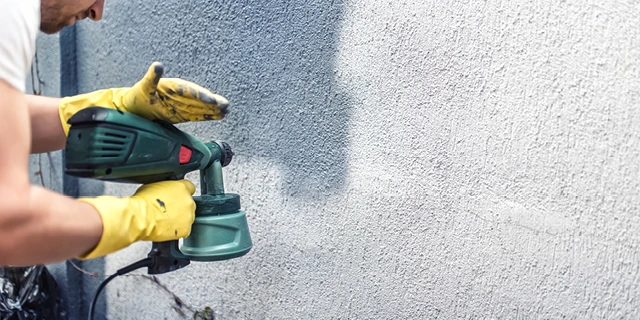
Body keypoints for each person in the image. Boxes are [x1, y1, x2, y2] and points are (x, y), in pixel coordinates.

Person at [0, 0, 229, 265]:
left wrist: (110, 106)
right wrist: (141, 217)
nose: (97, 12)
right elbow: (11, 226)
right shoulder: (12, 11)